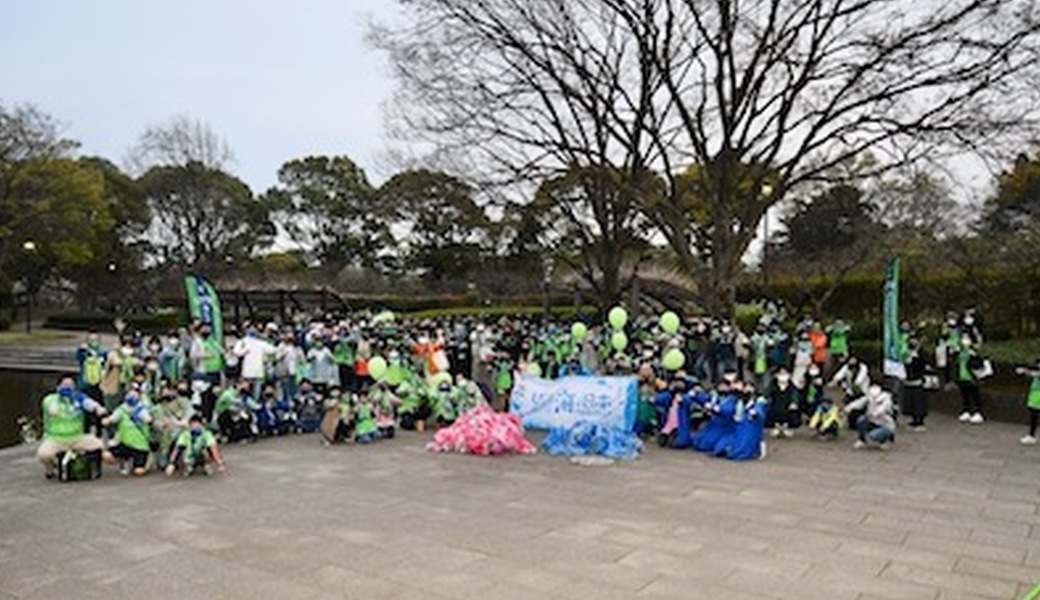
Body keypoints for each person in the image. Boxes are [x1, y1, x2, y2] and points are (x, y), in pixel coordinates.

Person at [36, 374, 108, 479]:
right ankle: (51, 468)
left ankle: (87, 465)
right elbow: (51, 407)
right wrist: (55, 408)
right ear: (58, 387)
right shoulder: (50, 399)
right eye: (64, 385)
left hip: (77, 437)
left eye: (70, 385)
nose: (67, 388)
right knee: (44, 454)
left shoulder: (79, 398)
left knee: (100, 446)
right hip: (56, 439)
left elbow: (91, 404)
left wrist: (98, 408)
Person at [102, 388, 153, 476]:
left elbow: (148, 419)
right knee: (106, 455)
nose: (131, 397)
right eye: (129, 395)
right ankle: (124, 461)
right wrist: (107, 420)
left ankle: (148, 461)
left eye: (134, 395)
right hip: (125, 443)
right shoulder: (122, 409)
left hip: (140, 446)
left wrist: (144, 417)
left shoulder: (142, 409)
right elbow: (113, 418)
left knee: (138, 472)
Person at [843, 383, 895, 450]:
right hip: (872, 421)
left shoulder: (887, 400)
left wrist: (874, 413)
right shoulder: (869, 397)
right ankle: (862, 440)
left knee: (873, 435)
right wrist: (849, 407)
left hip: (885, 425)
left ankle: (884, 441)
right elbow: (859, 402)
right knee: (861, 420)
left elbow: (881, 409)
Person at [955, 335, 984, 424]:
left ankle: (977, 412)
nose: (964, 341)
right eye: (963, 338)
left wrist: (974, 356)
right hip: (962, 376)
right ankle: (967, 410)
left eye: (967, 338)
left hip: (971, 377)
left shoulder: (973, 351)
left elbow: (978, 363)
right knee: (965, 394)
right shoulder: (960, 351)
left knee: (973, 395)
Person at [903, 338, 930, 432]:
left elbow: (923, 365)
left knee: (918, 403)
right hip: (909, 381)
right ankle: (914, 420)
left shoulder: (921, 354)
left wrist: (917, 358)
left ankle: (920, 422)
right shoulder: (907, 353)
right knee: (911, 403)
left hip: (918, 382)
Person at [1014, 359, 1040, 445]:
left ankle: (1031, 435)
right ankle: (1031, 435)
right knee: (1034, 416)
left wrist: (1025, 371)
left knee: (1034, 416)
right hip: (1035, 396)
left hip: (1037, 397)